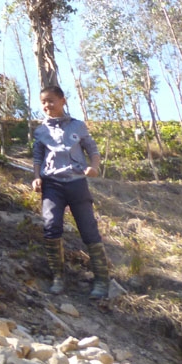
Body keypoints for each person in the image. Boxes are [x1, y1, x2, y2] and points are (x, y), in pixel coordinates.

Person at [31, 85, 110, 299]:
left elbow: (92, 149)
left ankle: (102, 280)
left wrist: (94, 167)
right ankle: (58, 277)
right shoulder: (41, 131)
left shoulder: (77, 126)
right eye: (43, 102)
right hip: (51, 185)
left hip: (77, 183)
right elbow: (37, 157)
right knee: (51, 226)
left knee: (88, 228)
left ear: (63, 101)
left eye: (51, 100)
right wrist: (37, 177)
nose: (47, 105)